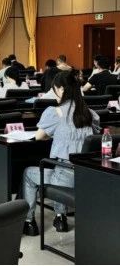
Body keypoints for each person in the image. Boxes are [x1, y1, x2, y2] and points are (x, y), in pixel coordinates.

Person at [22, 70, 100, 236]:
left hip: (64, 176)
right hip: (87, 176)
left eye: (54, 89)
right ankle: (60, 218)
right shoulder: (90, 114)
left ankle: (29, 222)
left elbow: (39, 137)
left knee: (30, 173)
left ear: (61, 89)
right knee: (60, 169)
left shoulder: (54, 112)